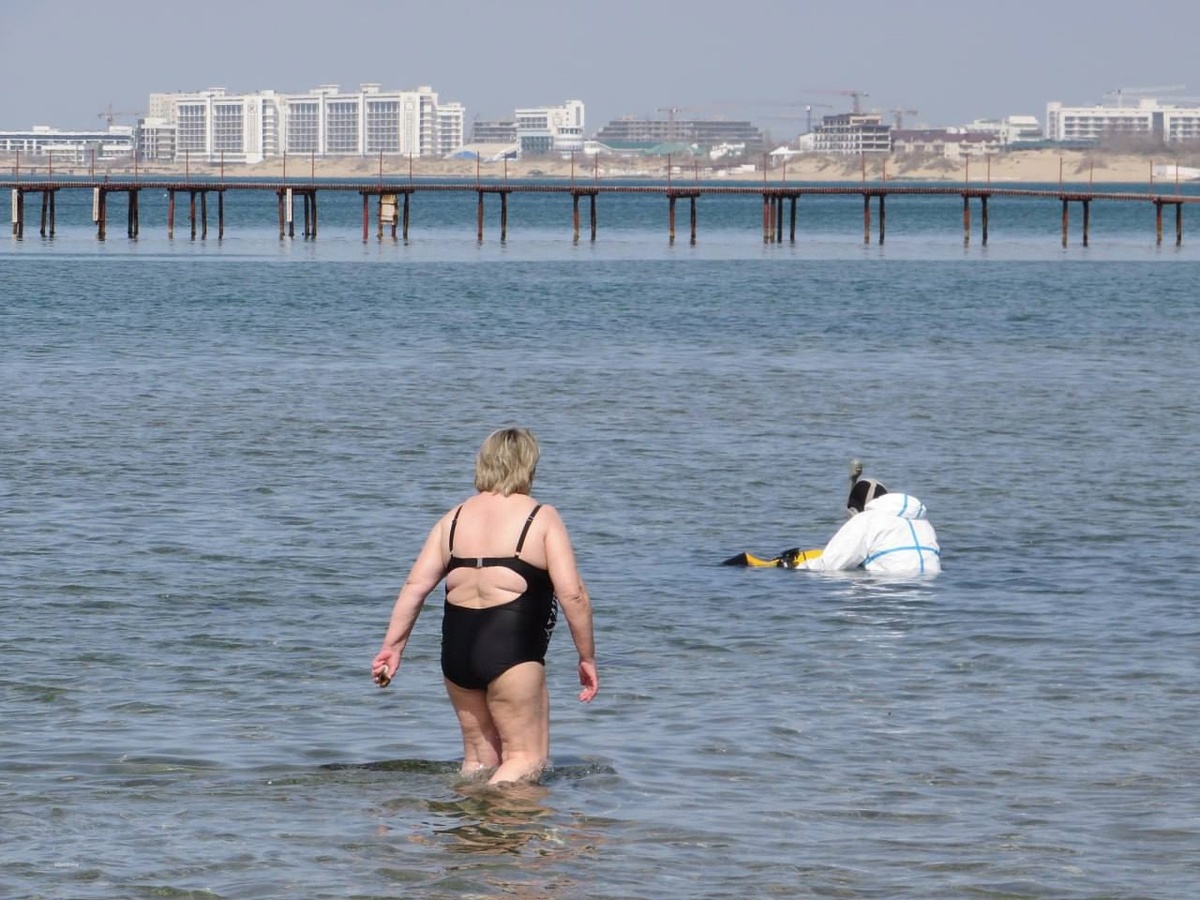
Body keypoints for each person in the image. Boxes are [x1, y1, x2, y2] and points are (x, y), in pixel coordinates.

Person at [371, 427, 598, 785]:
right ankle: (506, 815)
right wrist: (586, 657)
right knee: (526, 758)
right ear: (528, 466)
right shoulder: (541, 517)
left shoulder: (452, 518)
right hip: (512, 653)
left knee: (479, 760)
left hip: (457, 654)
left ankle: (468, 819)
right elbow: (573, 595)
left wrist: (392, 647)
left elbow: (415, 587)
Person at [793, 475, 942, 575]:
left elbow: (828, 566)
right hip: (928, 590)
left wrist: (793, 567)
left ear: (854, 510)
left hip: (892, 591)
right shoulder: (924, 524)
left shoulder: (866, 520)